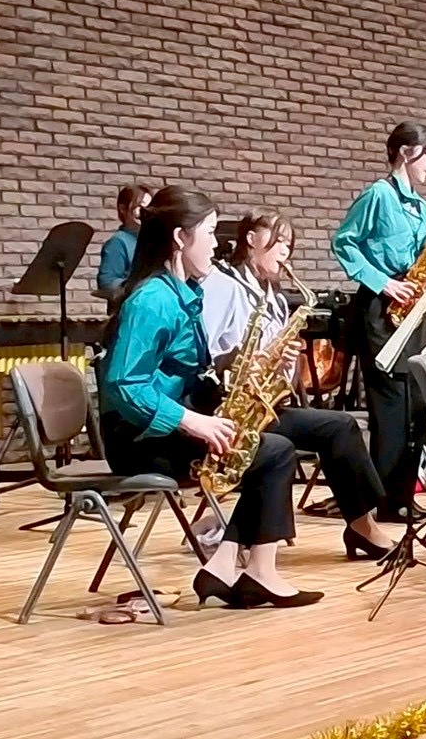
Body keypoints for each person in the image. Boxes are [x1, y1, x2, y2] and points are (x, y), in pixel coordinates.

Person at [98, 186, 319, 609]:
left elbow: (186, 370)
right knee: (273, 452)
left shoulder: (182, 292)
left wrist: (235, 380)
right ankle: (255, 571)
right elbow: (124, 385)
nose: (217, 245)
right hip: (138, 440)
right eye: (211, 232)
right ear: (180, 238)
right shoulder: (153, 300)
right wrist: (192, 421)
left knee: (270, 448)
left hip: (163, 428)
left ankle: (231, 565)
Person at [202, 210, 398, 557]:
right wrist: (246, 360)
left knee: (341, 426)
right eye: (278, 241)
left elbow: (286, 382)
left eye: (289, 245)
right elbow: (203, 354)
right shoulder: (223, 284)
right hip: (225, 409)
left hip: (262, 405)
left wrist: (285, 362)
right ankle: (249, 543)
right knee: (280, 447)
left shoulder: (276, 298)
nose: (285, 251)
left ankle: (362, 527)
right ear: (251, 239)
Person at [331, 120, 426, 522]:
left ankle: (403, 493)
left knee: (416, 403)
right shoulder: (377, 194)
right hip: (379, 303)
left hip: (411, 304)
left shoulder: (423, 207)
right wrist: (383, 282)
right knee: (390, 405)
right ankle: (383, 500)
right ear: (407, 153)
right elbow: (343, 242)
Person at [96, 182, 153, 311]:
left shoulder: (150, 241)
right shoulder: (118, 242)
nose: (145, 213)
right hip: (127, 312)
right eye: (140, 206)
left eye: (149, 208)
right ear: (123, 209)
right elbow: (106, 283)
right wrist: (138, 285)